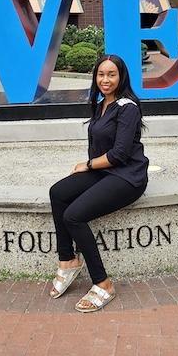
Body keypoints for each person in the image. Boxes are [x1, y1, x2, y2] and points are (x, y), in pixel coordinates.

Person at [49, 53, 148, 312]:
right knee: (58, 192)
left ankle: (103, 284)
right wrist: (91, 166)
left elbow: (120, 154)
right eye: (101, 74)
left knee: (74, 216)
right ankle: (68, 260)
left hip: (128, 176)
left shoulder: (128, 107)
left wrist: (88, 165)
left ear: (121, 77)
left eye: (111, 75)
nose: (105, 80)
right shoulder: (102, 103)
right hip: (105, 171)